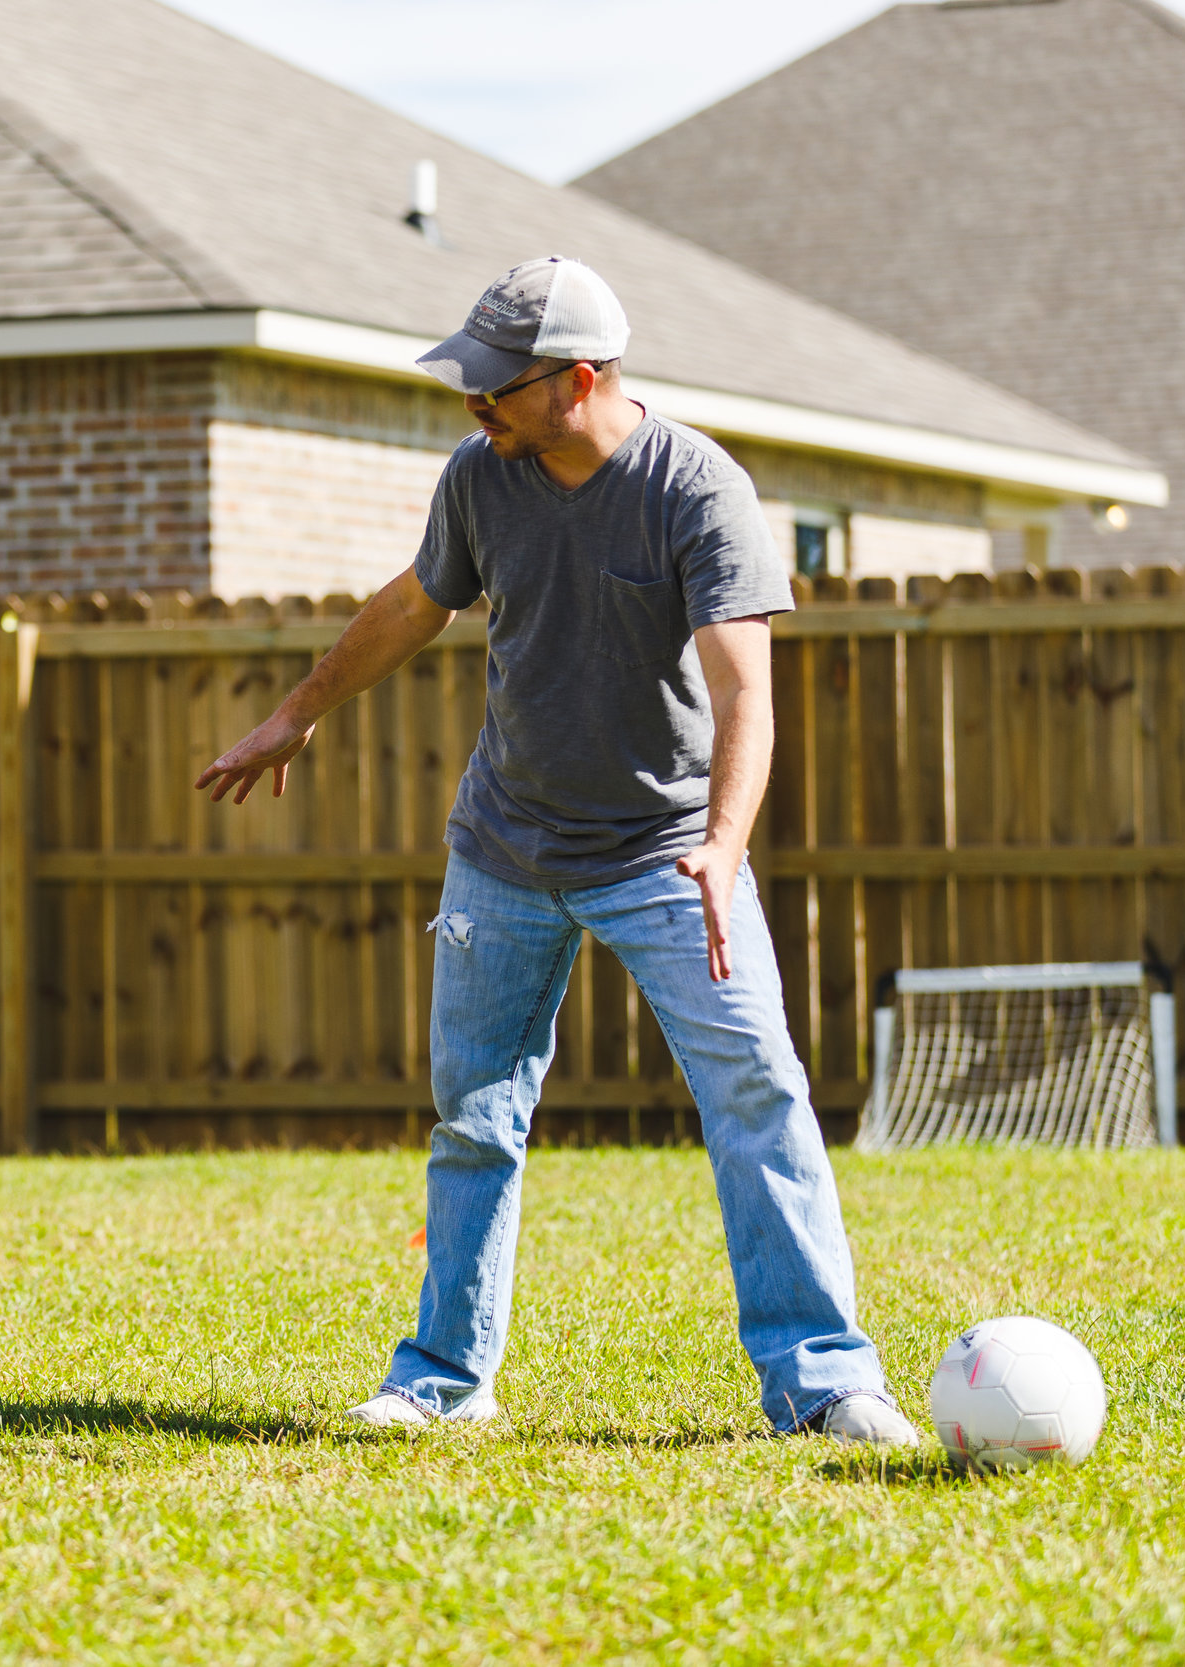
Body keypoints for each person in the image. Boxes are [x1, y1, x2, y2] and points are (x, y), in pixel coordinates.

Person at [195, 258, 919, 1446]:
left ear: (578, 381)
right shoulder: (484, 478)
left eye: (495, 391)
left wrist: (722, 849)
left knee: (758, 1094)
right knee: (474, 1113)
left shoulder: (697, 489)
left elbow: (747, 690)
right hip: (506, 846)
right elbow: (414, 602)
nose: (471, 409)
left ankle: (822, 1380)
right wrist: (301, 707)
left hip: (669, 854)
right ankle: (441, 1377)